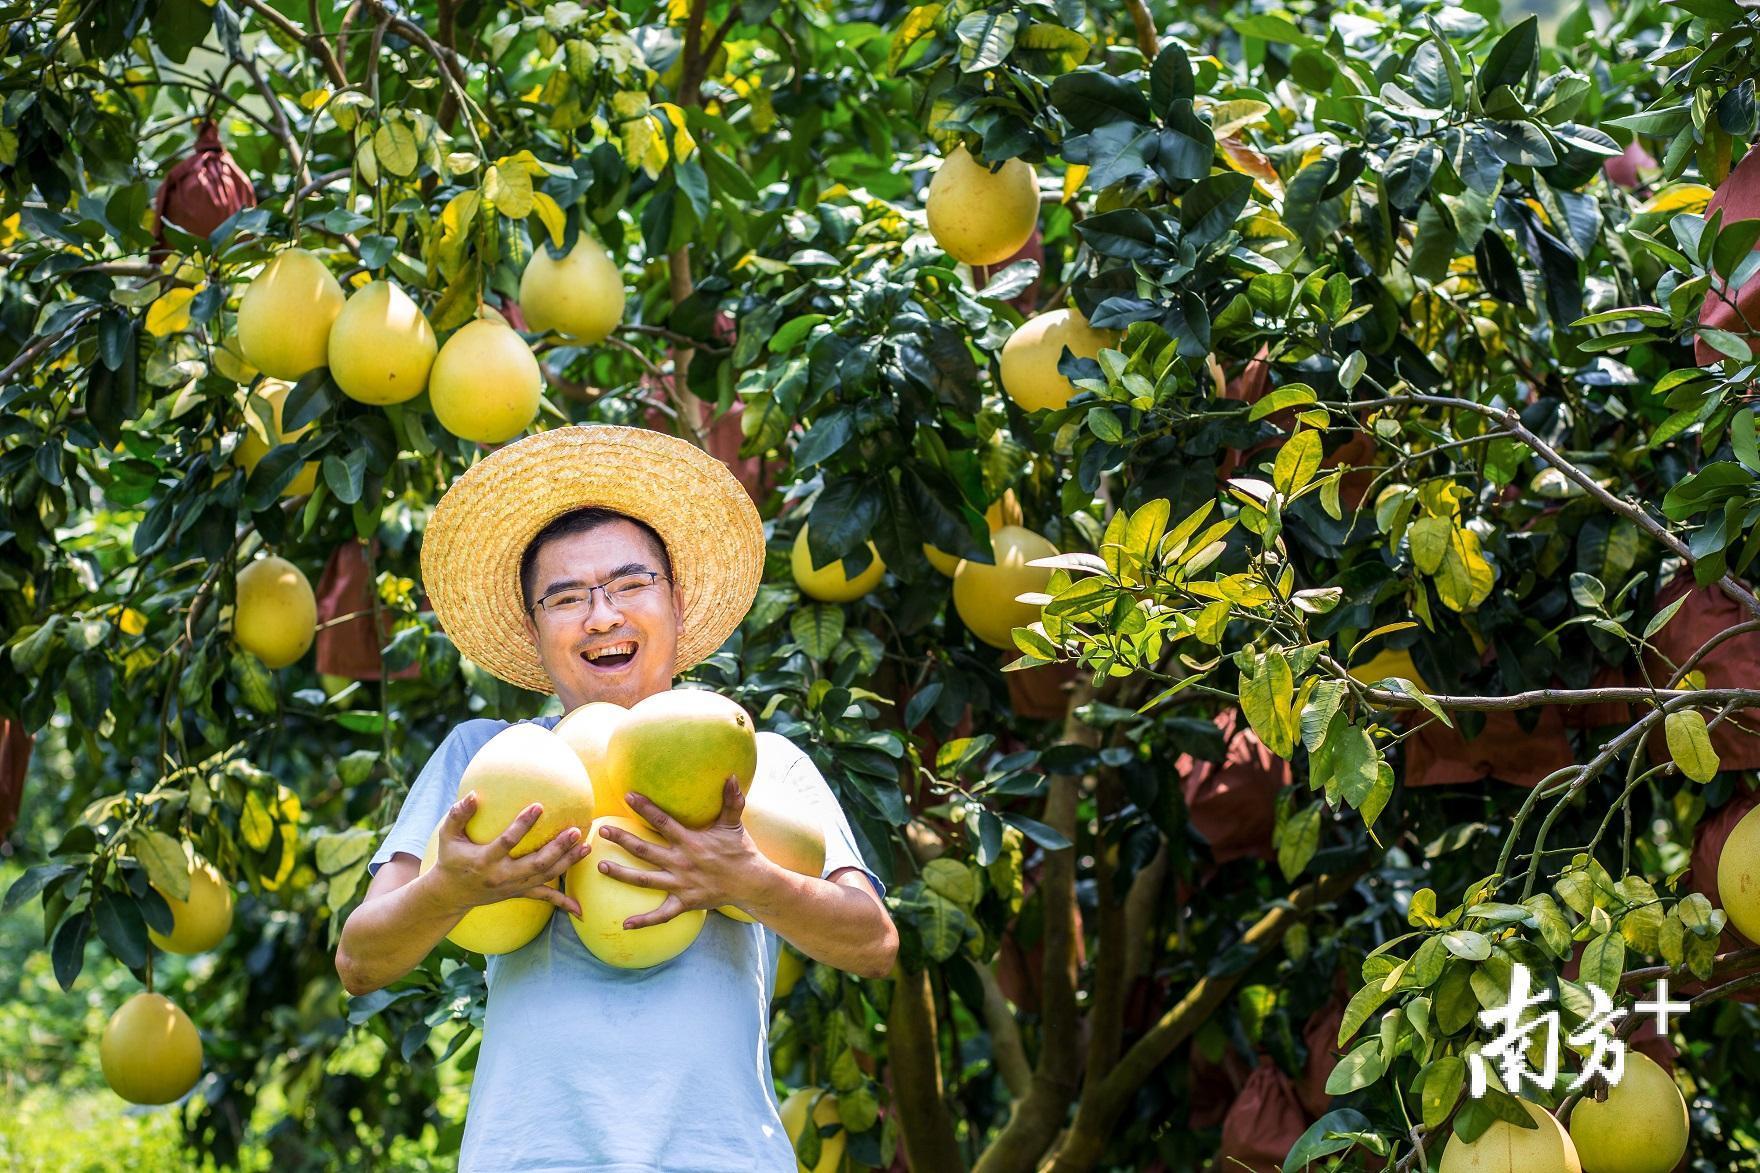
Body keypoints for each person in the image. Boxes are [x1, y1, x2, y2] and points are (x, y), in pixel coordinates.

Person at [334, 425, 898, 1171]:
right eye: (566, 597)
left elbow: (874, 944)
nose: (601, 615)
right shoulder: (488, 758)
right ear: (535, 633)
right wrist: (452, 886)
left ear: (678, 602)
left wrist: (747, 878)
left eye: (630, 585)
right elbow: (360, 959)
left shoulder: (755, 760)